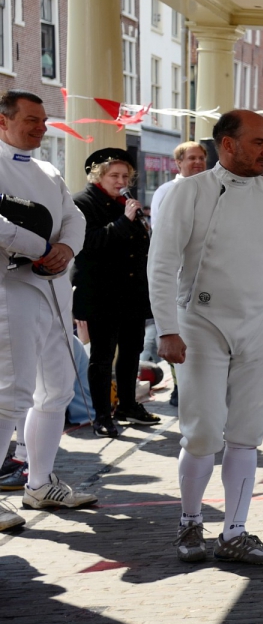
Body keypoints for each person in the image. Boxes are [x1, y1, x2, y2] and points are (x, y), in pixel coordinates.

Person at [149, 109, 263, 565]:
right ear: (227, 144)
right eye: (259, 142)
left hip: (255, 325)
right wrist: (167, 329)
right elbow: (162, 264)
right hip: (199, 323)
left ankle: (234, 532)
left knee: (247, 433)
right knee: (202, 432)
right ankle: (191, 521)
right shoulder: (188, 192)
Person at [0, 90, 98, 526]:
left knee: (57, 390)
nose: (42, 127)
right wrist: (39, 247)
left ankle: (39, 483)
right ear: (3, 121)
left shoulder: (48, 170)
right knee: (10, 394)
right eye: (32, 120)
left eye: (43, 120)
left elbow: (75, 218)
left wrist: (65, 249)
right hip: (11, 288)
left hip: (56, 289)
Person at [72, 148, 157, 438]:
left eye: (125, 176)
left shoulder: (125, 203)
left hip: (131, 292)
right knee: (102, 355)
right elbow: (88, 243)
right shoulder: (82, 203)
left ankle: (128, 405)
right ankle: (102, 415)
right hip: (101, 293)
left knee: (132, 350)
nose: (121, 182)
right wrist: (124, 221)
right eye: (114, 176)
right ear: (98, 176)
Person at [151, 141, 207, 220]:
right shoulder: (165, 191)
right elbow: (157, 224)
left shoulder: (211, 189)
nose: (198, 162)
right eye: (192, 158)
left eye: (201, 158)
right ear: (179, 162)